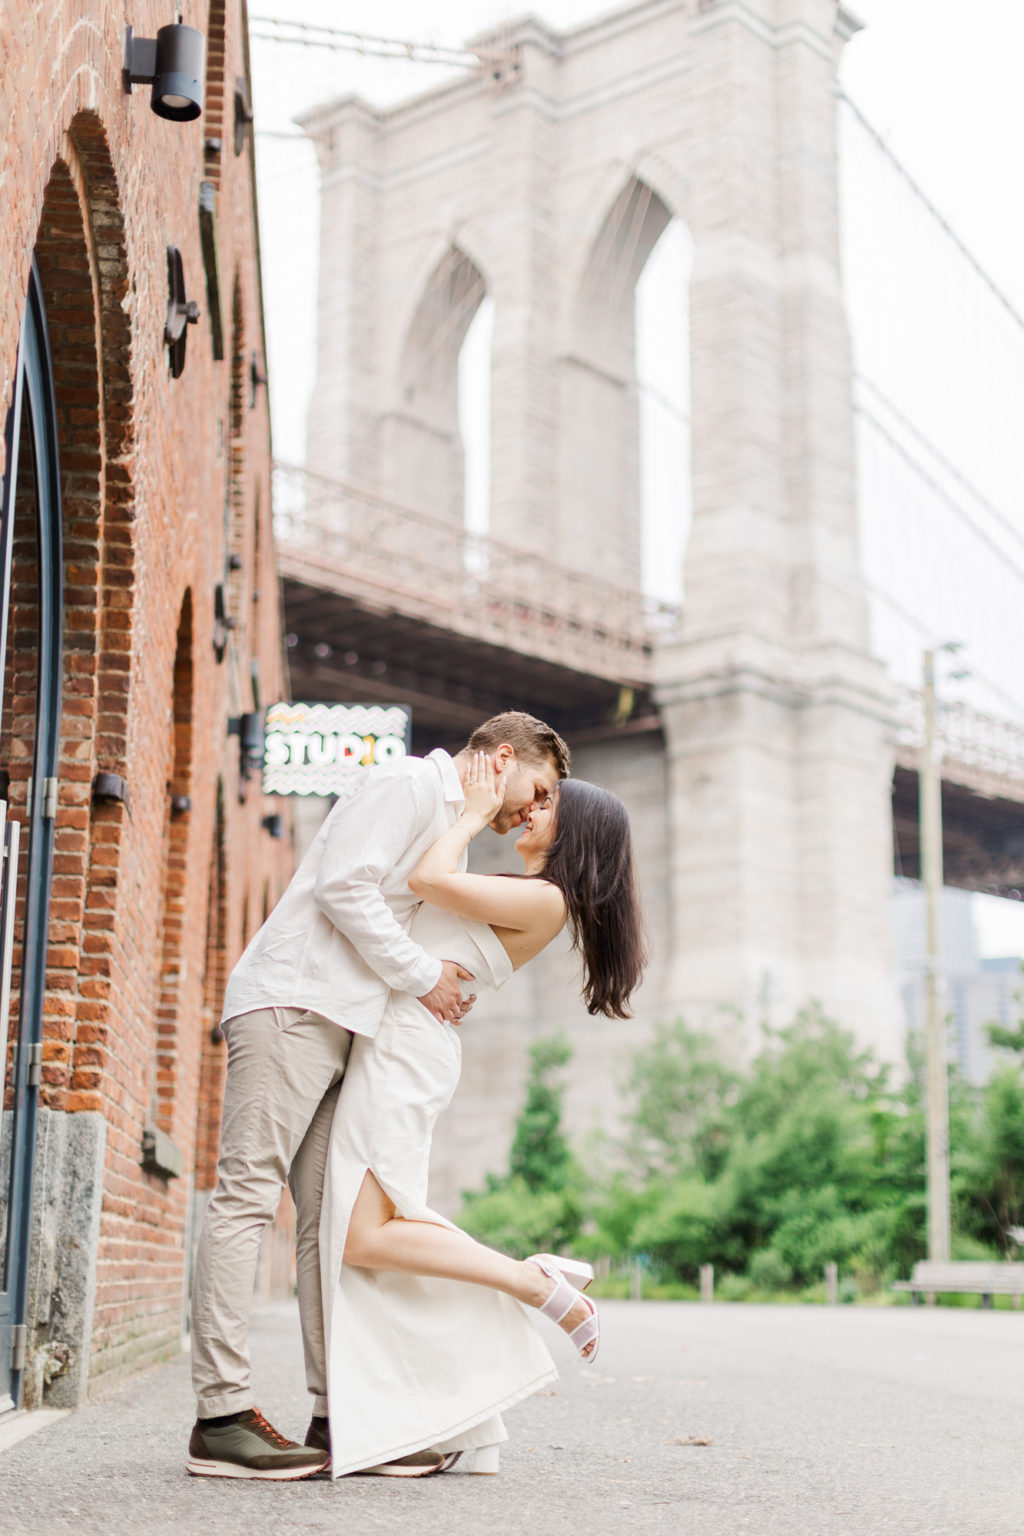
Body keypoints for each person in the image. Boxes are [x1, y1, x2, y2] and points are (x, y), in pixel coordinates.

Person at [187, 712, 570, 1481]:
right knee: (247, 1198)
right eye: (538, 789)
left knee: (325, 1226)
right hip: (293, 1005)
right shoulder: (407, 785)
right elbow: (342, 887)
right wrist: (423, 975)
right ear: (502, 758)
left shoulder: (444, 820)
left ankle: (342, 1417)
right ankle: (221, 1418)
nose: (534, 810)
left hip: (344, 1024)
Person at [315, 751, 646, 1478]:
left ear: (576, 836)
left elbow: (425, 881)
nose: (529, 812)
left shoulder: (547, 901)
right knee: (375, 1233)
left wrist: (468, 813)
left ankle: (534, 1286)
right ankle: (455, 1415)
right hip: (403, 1042)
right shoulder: (525, 892)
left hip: (408, 1049)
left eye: (547, 808)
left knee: (364, 1238)